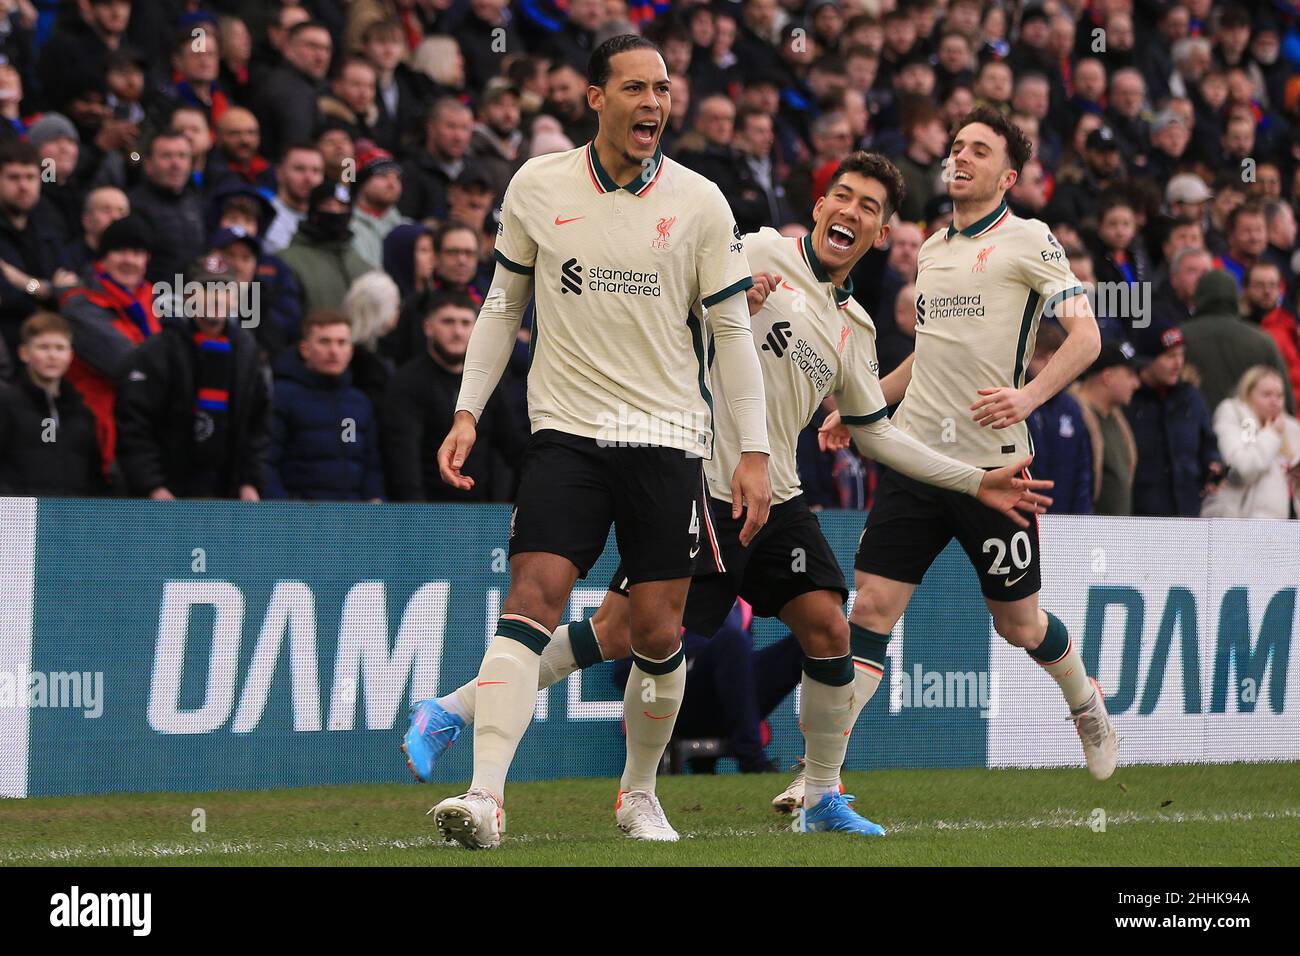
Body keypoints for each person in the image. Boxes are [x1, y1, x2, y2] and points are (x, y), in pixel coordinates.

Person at [412, 150, 1050, 836]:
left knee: (831, 628)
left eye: (869, 207)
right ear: (818, 207)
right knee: (624, 634)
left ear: (880, 234)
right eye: (843, 196)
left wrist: (974, 478)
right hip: (700, 483)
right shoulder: (759, 248)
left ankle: (821, 794)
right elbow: (666, 298)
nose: (852, 211)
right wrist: (720, 302)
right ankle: (459, 712)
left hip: (775, 498)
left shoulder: (855, 329)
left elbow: (879, 436)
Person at [427, 35, 773, 849]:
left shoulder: (701, 202)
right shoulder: (537, 184)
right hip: (567, 435)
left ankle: (638, 794)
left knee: (656, 633)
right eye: (635, 88)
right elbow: (502, 309)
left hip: (665, 440)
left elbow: (730, 334)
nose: (653, 102)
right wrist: (468, 412)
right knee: (530, 601)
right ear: (595, 98)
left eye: (663, 88)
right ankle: (484, 799)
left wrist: (751, 451)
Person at [826, 108, 1118, 787]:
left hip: (996, 466)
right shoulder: (930, 248)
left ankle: (1086, 702)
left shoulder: (1031, 239)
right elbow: (930, 357)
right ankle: (824, 775)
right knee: (869, 608)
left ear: (1007, 175)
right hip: (916, 458)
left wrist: (1028, 398)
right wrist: (861, 404)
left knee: (1017, 625)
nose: (960, 156)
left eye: (979, 150)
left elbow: (1087, 338)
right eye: (956, 145)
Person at [115, 253, 270, 500]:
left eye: (225, 289)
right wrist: (153, 486)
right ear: (187, 296)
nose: (217, 298)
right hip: (168, 494)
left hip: (227, 493)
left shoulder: (247, 351)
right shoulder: (157, 351)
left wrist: (251, 481)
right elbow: (135, 426)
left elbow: (258, 425)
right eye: (206, 289)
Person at [382, 292, 523, 502]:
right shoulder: (407, 382)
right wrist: (415, 522)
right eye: (448, 322)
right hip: (428, 514)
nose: (457, 331)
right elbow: (403, 461)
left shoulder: (489, 380)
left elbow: (513, 447)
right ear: (428, 327)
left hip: (484, 514)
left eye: (465, 323)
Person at [60, 214, 158, 471]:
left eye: (137, 252)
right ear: (103, 257)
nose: (129, 260)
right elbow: (128, 365)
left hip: (144, 433)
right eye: (120, 251)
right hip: (97, 438)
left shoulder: (156, 302)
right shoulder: (80, 306)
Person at [267, 309, 383, 501]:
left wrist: (374, 500)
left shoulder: (359, 402)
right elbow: (267, 462)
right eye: (324, 341)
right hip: (299, 520)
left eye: (341, 342)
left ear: (351, 351)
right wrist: (282, 511)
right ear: (305, 349)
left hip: (351, 521)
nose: (334, 351)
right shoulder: (282, 396)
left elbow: (370, 463)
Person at [1125, 317, 1223, 517]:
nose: (1178, 363)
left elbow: (1208, 442)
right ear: (1148, 360)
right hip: (1140, 518)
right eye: (1170, 356)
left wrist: (1213, 463)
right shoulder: (1128, 400)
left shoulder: (1191, 397)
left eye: (1181, 355)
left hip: (1187, 513)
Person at [0, 311, 104, 495]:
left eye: (60, 348)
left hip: (69, 518)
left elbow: (94, 476)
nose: (52, 355)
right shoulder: (6, 404)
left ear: (70, 355)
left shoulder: (82, 413)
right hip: (17, 518)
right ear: (24, 353)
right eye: (43, 347)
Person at [1181, 268, 1295, 416]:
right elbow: (1285, 400)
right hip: (1249, 432)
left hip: (1193, 431)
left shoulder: (1179, 337)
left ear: (1198, 297)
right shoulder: (1262, 340)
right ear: (1237, 297)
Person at [0, 140, 77, 359]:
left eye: (30, 177)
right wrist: (47, 290)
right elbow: (7, 298)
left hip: (52, 344)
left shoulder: (48, 222)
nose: (23, 186)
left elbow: (71, 287)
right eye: (14, 178)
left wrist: (28, 284)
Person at [1202, 365, 1300, 519]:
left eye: (1280, 396)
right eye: (1267, 395)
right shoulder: (1233, 414)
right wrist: (1271, 434)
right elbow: (1242, 469)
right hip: (1240, 525)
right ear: (1248, 394)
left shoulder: (1291, 428)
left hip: (1286, 528)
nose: (1275, 402)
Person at [1025, 324, 1094, 514]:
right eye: (1040, 358)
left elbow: (1083, 473)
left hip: (1064, 520)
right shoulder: (1015, 403)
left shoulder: (1071, 407)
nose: (1048, 364)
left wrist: (1082, 521)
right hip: (1024, 519)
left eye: (1054, 357)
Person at [278, 180, 374, 314]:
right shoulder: (287, 260)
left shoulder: (360, 262)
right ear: (312, 211)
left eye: (342, 206)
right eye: (327, 205)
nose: (335, 211)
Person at [1073, 341, 1141, 516]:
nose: (1136, 383)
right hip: (1084, 535)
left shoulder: (1117, 419)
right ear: (1108, 376)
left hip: (1117, 534)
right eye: (1130, 375)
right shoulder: (1072, 417)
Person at [128, 129, 205, 283]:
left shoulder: (196, 201)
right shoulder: (133, 205)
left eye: (182, 156)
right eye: (166, 156)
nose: (175, 164)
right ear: (148, 164)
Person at [263, 142, 324, 255]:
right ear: (279, 173)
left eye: (316, 171)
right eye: (299, 169)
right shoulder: (266, 218)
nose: (309, 178)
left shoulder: (326, 218)